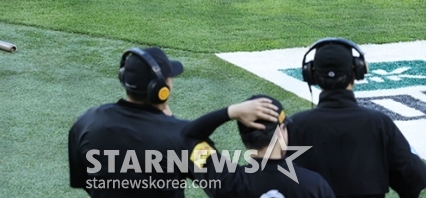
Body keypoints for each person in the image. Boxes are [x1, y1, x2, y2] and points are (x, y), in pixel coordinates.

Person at [287, 37, 426, 198]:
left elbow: (265, 177)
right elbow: (413, 180)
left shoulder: (294, 125)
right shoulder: (378, 123)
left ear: (311, 75)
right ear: (357, 71)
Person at [69, 47, 193, 197]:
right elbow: (225, 183)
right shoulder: (182, 135)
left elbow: (84, 181)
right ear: (162, 89)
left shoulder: (87, 122)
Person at [182, 94, 336, 198]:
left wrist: (231, 112)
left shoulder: (227, 182)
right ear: (281, 132)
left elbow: (189, 135)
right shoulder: (314, 185)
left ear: (243, 138)